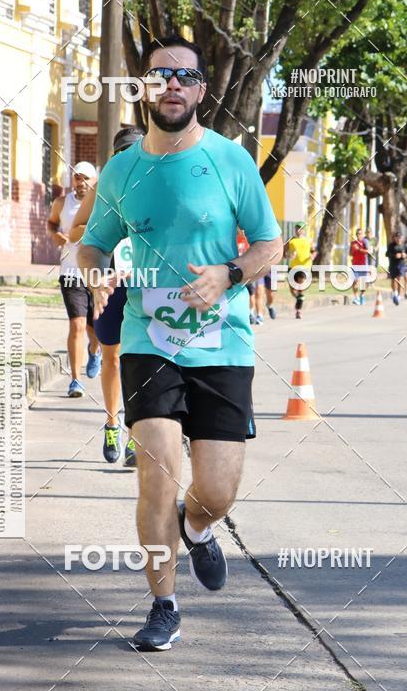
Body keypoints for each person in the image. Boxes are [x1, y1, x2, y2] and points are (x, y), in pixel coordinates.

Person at [79, 35, 282, 651]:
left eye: (185, 78)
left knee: (215, 493)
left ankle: (197, 529)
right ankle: (163, 604)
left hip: (222, 345)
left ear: (200, 90)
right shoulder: (123, 169)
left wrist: (229, 273)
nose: (172, 86)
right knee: (157, 474)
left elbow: (271, 244)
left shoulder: (231, 161)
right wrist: (96, 270)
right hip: (149, 342)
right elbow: (91, 243)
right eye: (160, 75)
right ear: (143, 86)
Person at [69, 127, 145, 466]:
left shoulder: (159, 181)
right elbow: (75, 230)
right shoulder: (104, 186)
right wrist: (106, 229)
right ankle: (112, 422)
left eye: (136, 150)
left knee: (143, 361)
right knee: (112, 357)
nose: (130, 158)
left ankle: (136, 436)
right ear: (115, 157)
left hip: (148, 283)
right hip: (109, 284)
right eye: (123, 153)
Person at [48, 162, 101, 397]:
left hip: (97, 274)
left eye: (86, 178)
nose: (81, 183)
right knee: (77, 324)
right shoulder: (62, 203)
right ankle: (75, 380)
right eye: (77, 178)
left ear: (94, 181)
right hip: (71, 273)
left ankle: (95, 350)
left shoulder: (102, 204)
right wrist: (56, 235)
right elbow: (51, 222)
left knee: (96, 329)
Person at [285, 223, 316, 318]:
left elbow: (313, 251)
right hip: (293, 267)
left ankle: (298, 310)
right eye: (297, 228)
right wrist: (289, 256)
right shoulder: (291, 240)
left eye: (301, 228)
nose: (299, 230)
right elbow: (284, 253)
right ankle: (299, 298)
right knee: (292, 290)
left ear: (304, 230)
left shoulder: (309, 241)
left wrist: (312, 256)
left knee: (300, 287)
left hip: (305, 267)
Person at [349, 228, 371, 305]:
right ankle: (356, 297)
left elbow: (368, 251)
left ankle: (362, 295)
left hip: (363, 265)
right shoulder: (353, 243)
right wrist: (353, 249)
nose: (359, 235)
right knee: (355, 281)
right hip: (355, 265)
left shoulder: (365, 242)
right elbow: (350, 254)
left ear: (362, 235)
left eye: (361, 233)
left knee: (363, 283)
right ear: (356, 235)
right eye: (358, 233)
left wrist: (359, 249)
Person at [386, 231, 407, 305]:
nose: (398, 239)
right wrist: (394, 255)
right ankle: (394, 293)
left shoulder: (404, 246)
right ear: (395, 238)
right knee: (393, 280)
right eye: (397, 237)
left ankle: (399, 296)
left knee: (399, 279)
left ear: (401, 238)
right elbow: (387, 254)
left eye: (399, 237)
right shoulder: (391, 245)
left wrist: (405, 255)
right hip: (393, 265)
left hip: (401, 265)